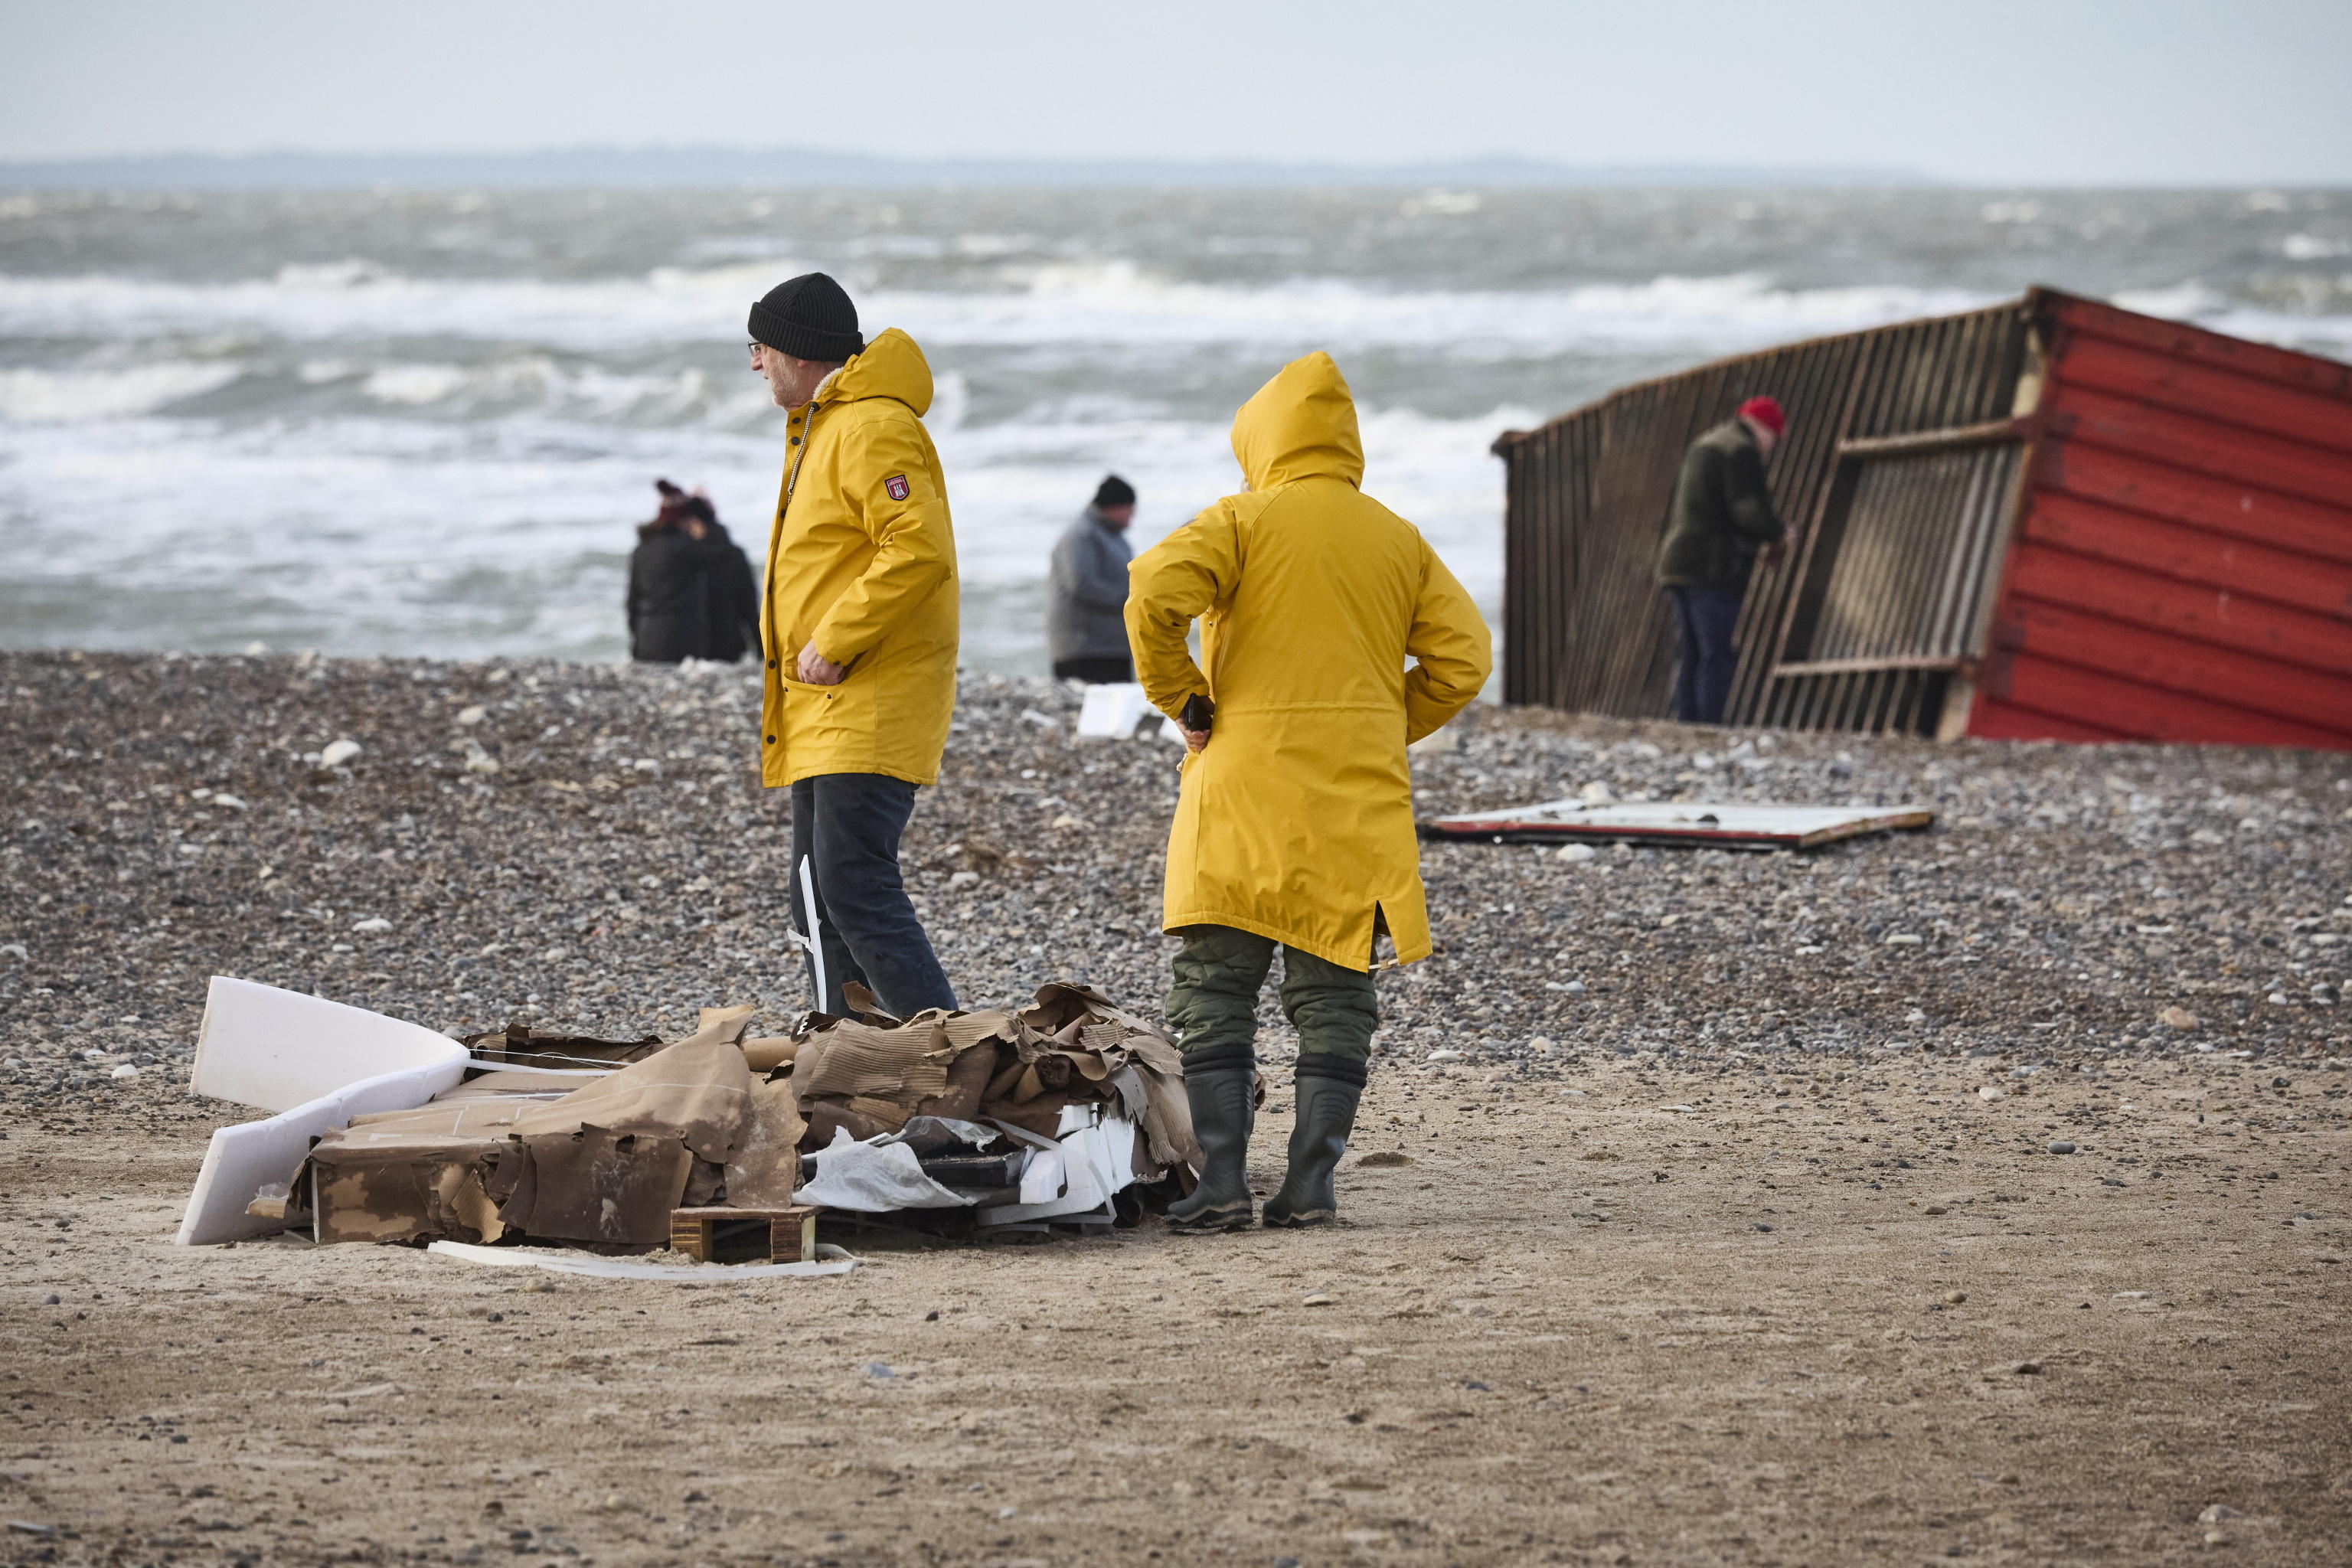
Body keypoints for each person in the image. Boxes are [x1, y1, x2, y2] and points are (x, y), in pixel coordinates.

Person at [1125, 352, 1489, 1233]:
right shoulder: (1396, 538)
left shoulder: (1242, 519)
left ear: (1262, 441)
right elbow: (1466, 658)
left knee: (1214, 987)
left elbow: (1151, 589)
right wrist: (1378, 721)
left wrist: (1182, 695)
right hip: (1350, 803)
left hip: (1241, 792)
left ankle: (1218, 1185)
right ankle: (1311, 1184)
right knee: (1334, 994)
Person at [748, 271, 960, 1018]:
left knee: (851, 885)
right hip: (822, 704)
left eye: (760, 346)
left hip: (865, 696)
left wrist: (836, 639)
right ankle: (853, 1067)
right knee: (814, 899)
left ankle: (951, 1073)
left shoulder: (871, 426)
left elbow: (917, 547)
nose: (754, 363)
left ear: (801, 352)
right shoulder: (826, 425)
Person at [1653, 394, 1794, 725]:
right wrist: (1779, 533)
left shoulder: (1707, 442)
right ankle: (1711, 726)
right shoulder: (1740, 450)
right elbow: (1748, 510)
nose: (1770, 448)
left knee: (1689, 651)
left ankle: (1687, 724)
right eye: (1774, 439)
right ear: (1763, 429)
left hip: (1677, 563)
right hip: (1710, 567)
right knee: (1716, 652)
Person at [626, 480, 732, 664]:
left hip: (645, 641)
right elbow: (723, 552)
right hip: (681, 643)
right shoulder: (686, 548)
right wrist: (706, 520)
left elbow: (632, 601)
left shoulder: (642, 549)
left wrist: (636, 639)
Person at [1047, 474, 1137, 683]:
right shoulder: (1081, 535)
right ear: (1115, 506)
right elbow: (1081, 585)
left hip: (1111, 648)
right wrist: (1129, 600)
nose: (1132, 516)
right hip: (1084, 650)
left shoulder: (1114, 537)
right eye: (1130, 510)